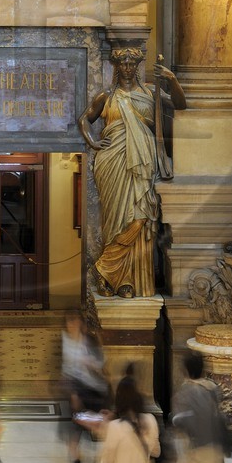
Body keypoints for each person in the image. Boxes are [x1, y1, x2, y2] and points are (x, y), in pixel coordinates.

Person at [78, 45, 186, 297]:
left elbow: (179, 104)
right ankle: (119, 279)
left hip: (143, 164)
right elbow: (85, 119)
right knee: (116, 220)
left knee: (140, 217)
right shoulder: (107, 96)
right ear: (116, 67)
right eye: (122, 64)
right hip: (113, 162)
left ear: (137, 66)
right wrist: (92, 142)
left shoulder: (150, 92)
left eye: (131, 64)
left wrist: (172, 79)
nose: (127, 68)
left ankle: (107, 269)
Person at [60, 307, 107, 463]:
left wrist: (91, 364)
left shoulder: (89, 340)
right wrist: (72, 393)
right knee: (75, 429)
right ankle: (77, 462)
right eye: (69, 321)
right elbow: (64, 370)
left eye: (74, 321)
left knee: (97, 425)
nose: (71, 325)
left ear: (80, 322)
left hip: (93, 389)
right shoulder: (64, 341)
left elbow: (101, 363)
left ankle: (101, 459)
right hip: (75, 391)